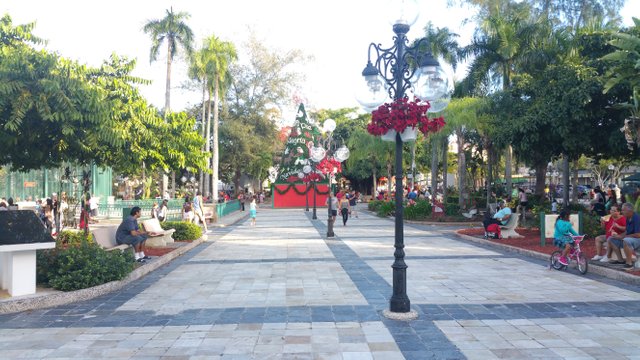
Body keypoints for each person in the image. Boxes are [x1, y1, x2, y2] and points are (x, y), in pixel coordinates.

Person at [609, 202, 640, 270]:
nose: (622, 212)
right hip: (631, 238)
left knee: (626, 240)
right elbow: (626, 231)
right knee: (611, 239)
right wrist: (619, 236)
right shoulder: (627, 218)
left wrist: (625, 237)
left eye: (623, 210)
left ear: (630, 211)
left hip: (638, 239)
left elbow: (638, 234)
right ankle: (620, 260)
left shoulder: (637, 218)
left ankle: (629, 263)